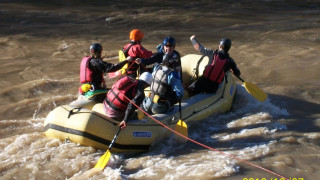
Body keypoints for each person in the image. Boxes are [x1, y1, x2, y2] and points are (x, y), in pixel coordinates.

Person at [70, 43, 132, 109]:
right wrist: (126, 61)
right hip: (95, 91)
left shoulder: (88, 60)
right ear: (100, 51)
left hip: (85, 90)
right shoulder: (95, 61)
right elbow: (111, 68)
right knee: (116, 93)